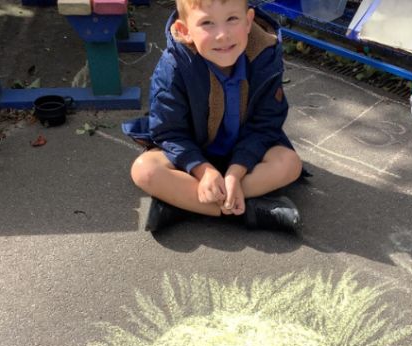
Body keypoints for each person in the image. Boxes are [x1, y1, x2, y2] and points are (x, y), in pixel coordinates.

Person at [123, 0, 305, 232]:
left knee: (289, 164)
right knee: (144, 170)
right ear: (184, 31)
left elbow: (265, 125)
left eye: (232, 19)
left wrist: (235, 173)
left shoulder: (265, 56)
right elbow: (169, 132)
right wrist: (203, 170)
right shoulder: (175, 65)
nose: (222, 35)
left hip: (246, 155)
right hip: (193, 155)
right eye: (207, 23)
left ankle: (184, 205)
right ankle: (251, 210)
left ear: (248, 21)